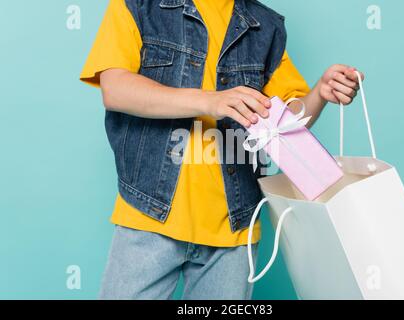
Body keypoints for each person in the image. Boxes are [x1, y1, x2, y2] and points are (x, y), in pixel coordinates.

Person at [80, 0, 363, 300]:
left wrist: (319, 93)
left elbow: (288, 122)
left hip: (233, 232)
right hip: (148, 214)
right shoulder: (138, 6)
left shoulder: (265, 25)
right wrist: (209, 101)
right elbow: (115, 89)